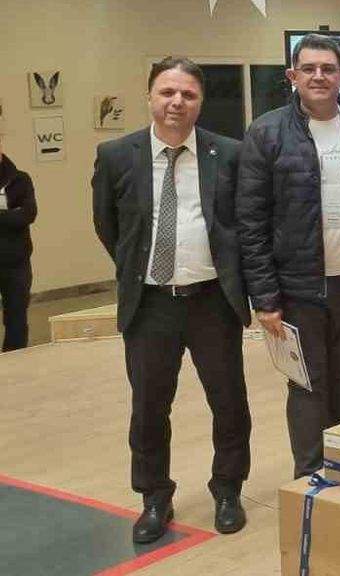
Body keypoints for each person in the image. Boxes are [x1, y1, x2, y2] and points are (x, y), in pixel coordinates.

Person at [91, 58, 252, 542]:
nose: (177, 102)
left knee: (229, 402)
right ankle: (154, 496)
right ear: (149, 96)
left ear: (200, 102)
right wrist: (142, 270)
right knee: (149, 407)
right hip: (150, 304)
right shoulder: (116, 155)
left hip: (212, 302)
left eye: (188, 94)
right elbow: (109, 226)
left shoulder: (229, 154)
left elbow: (241, 225)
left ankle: (228, 490)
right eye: (167, 92)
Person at [237, 33, 340, 478]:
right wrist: (264, 297)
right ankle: (310, 479)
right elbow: (250, 220)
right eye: (309, 68)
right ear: (293, 75)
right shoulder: (266, 132)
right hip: (297, 289)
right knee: (307, 384)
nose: (319, 76)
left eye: (328, 68)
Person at [0, 137, 36, 352]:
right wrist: (9, 214)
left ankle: (15, 360)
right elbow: (17, 216)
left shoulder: (20, 180)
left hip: (16, 262)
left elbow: (28, 214)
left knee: (16, 319)